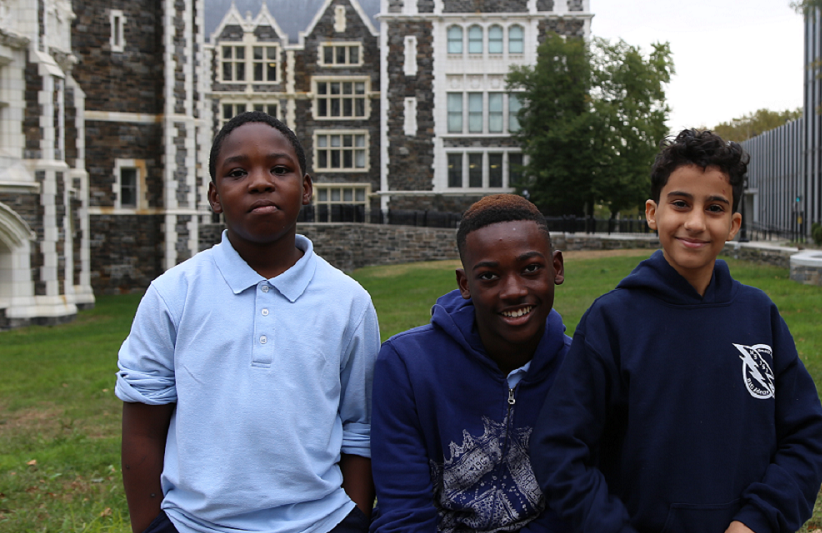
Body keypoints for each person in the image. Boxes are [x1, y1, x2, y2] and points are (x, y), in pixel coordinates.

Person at [530, 129, 822, 533]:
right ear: (653, 213)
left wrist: (757, 521)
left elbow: (805, 438)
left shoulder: (759, 316)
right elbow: (559, 448)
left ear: (734, 223)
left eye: (715, 208)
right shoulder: (613, 320)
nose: (695, 223)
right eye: (681, 204)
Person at [115, 111, 379, 533]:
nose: (260, 182)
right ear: (215, 196)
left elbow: (359, 426)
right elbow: (144, 426)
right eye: (237, 172)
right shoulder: (172, 294)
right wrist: (150, 526)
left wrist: (353, 518)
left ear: (306, 188)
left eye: (279, 169)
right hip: (193, 524)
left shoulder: (348, 301)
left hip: (321, 522)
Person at [370, 194, 569, 533]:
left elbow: (570, 509)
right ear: (465, 284)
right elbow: (404, 513)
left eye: (530, 269)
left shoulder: (579, 369)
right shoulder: (406, 365)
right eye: (489, 276)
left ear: (556, 268)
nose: (513, 291)